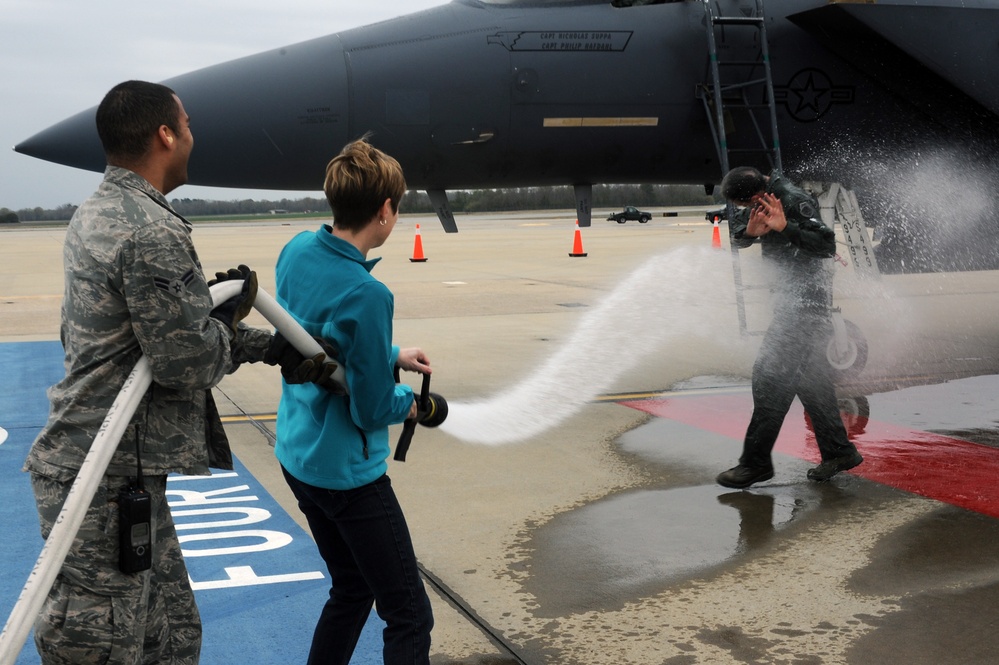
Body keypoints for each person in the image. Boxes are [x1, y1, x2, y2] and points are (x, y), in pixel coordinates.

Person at [24, 80, 326, 665]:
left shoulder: (100, 210)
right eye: (185, 124)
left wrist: (269, 344)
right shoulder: (152, 230)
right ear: (165, 135)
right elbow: (187, 361)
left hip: (117, 473)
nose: (192, 135)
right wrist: (227, 320)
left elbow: (151, 339)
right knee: (106, 648)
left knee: (171, 638)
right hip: (103, 481)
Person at [273, 138, 435, 665]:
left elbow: (317, 342)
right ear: (386, 211)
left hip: (299, 458)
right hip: (348, 479)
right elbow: (369, 408)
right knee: (409, 614)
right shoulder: (368, 294)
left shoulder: (297, 249)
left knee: (350, 587)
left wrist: (388, 354)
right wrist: (409, 404)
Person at [716, 166, 863, 489]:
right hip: (788, 303)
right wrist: (750, 234)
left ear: (754, 195)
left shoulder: (794, 200)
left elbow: (826, 245)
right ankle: (839, 452)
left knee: (769, 378)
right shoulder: (761, 202)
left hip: (806, 306)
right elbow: (738, 234)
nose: (743, 212)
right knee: (811, 382)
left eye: (743, 206)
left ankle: (755, 464)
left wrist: (785, 227)